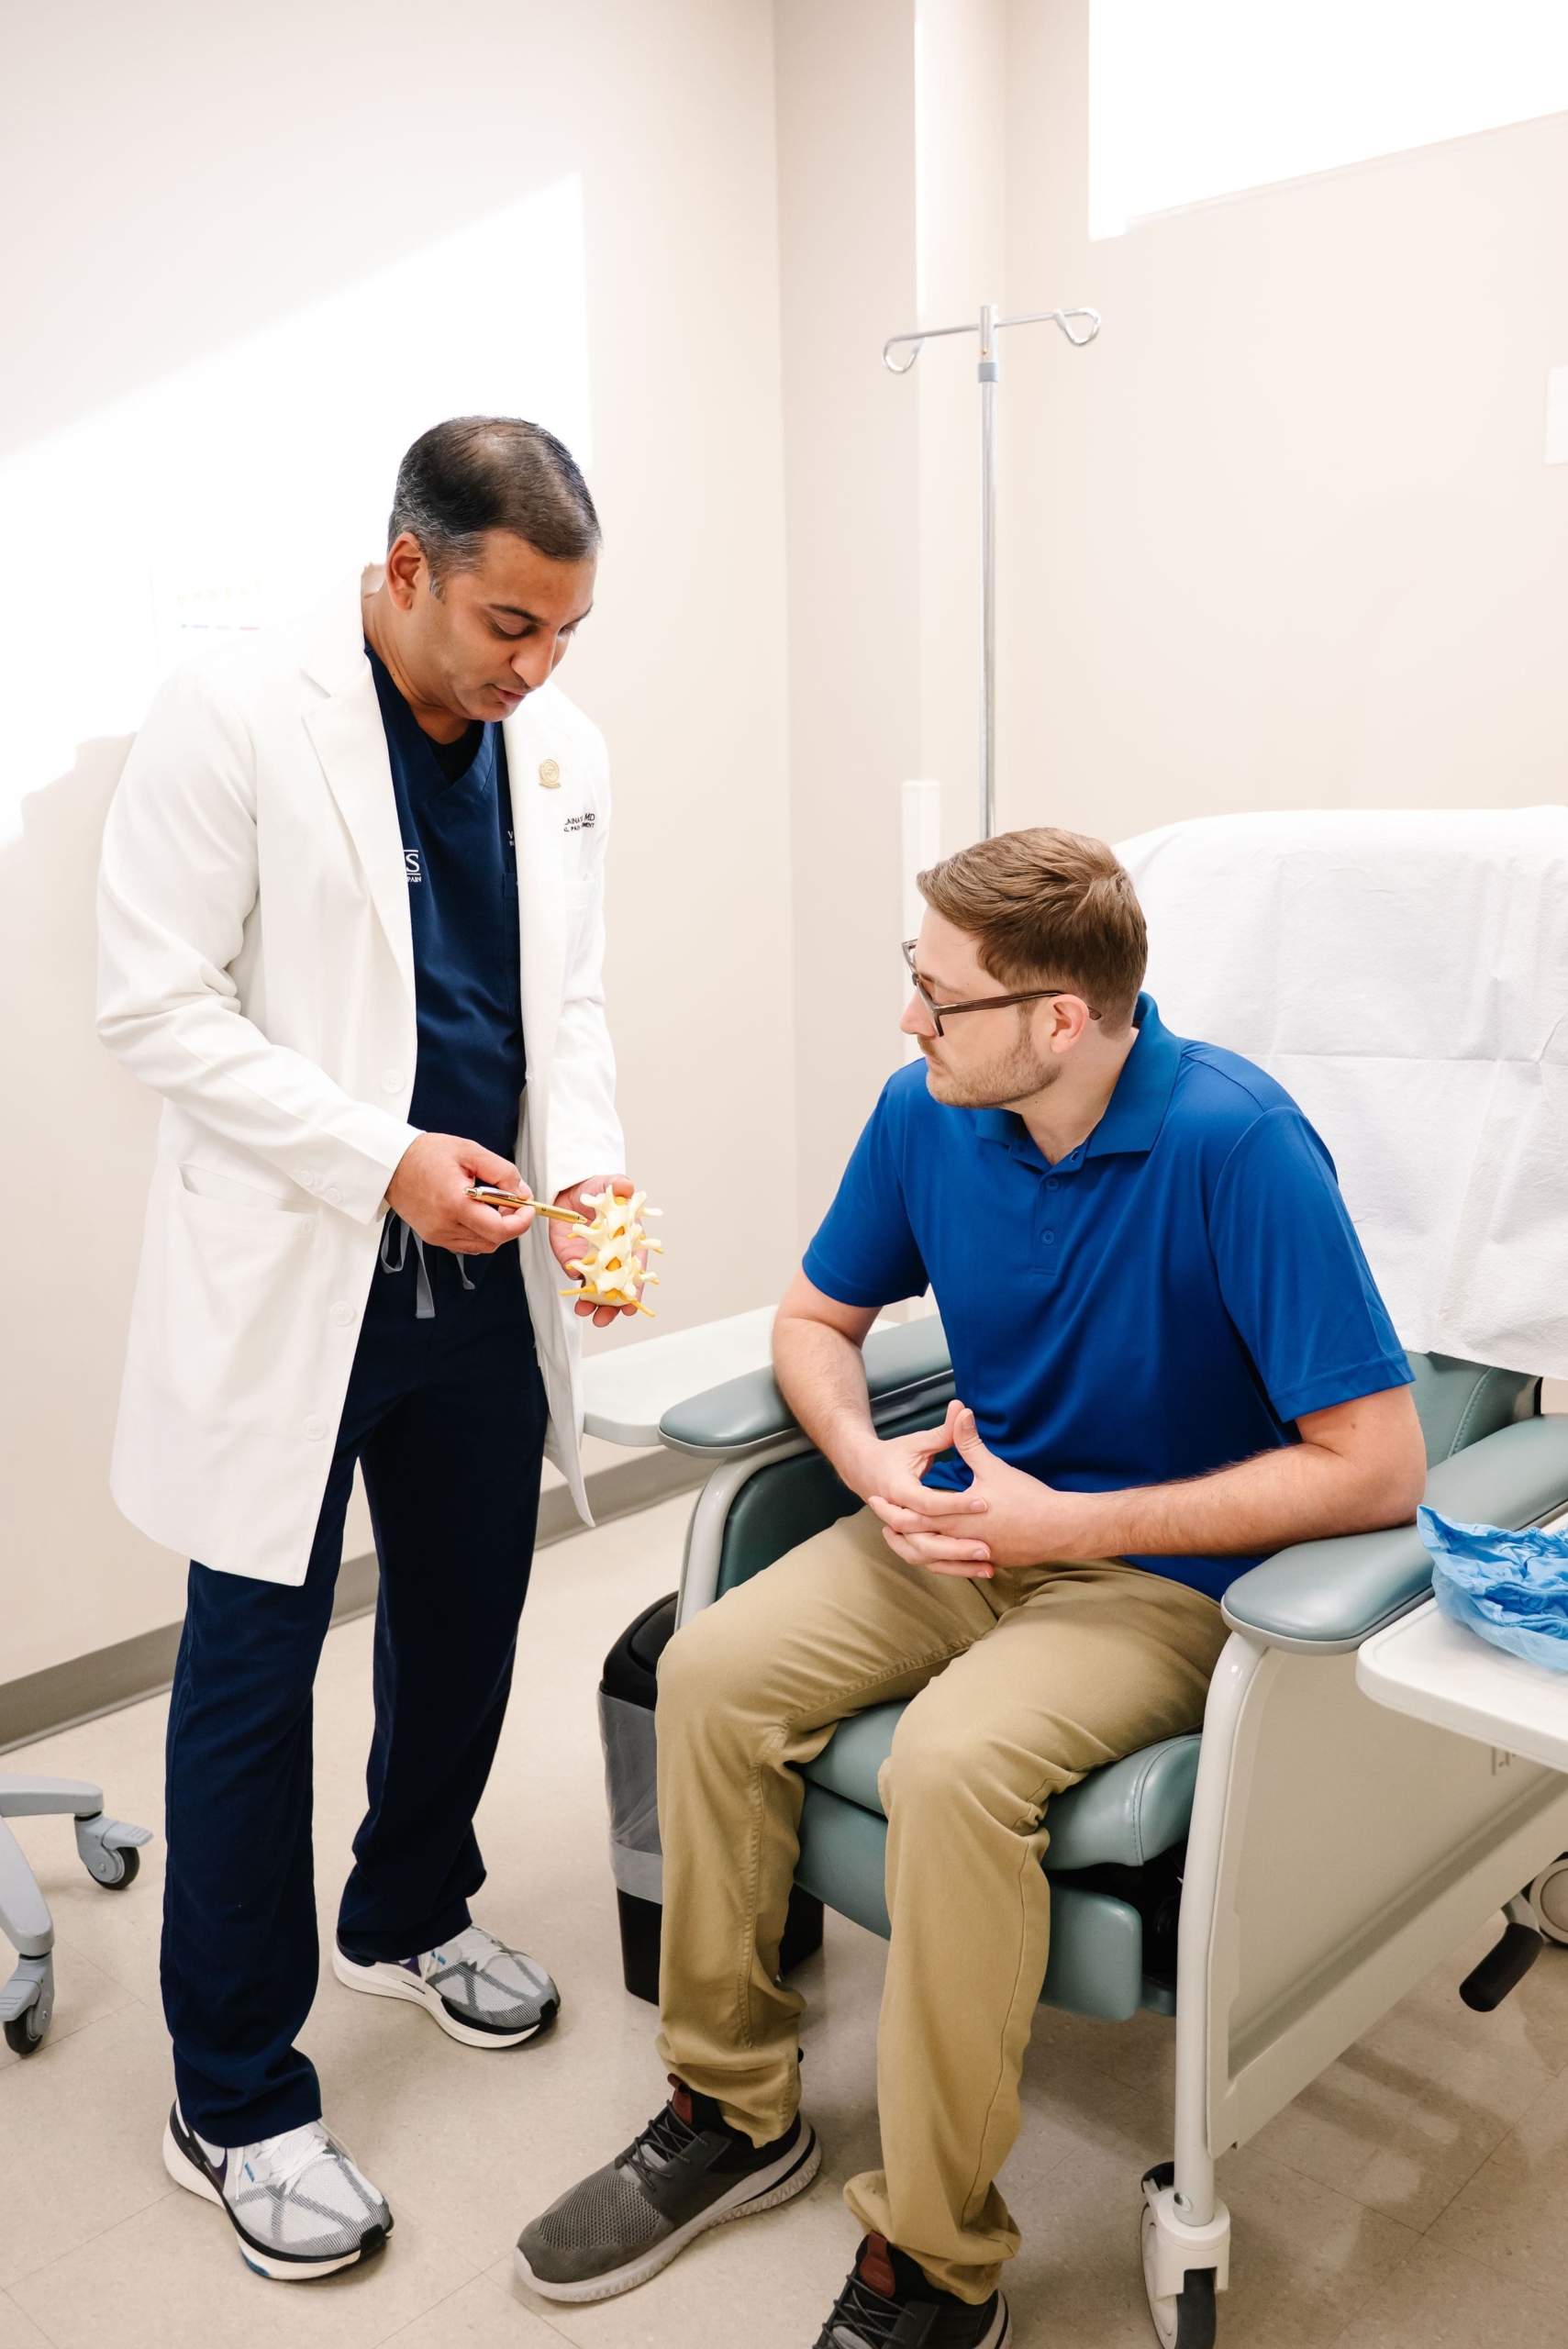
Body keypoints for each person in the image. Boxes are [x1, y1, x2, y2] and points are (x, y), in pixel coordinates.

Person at [515, 828, 1427, 2346]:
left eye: (938, 995)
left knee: (951, 1770)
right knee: (710, 1665)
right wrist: (870, 1472)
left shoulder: (1237, 1146)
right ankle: (734, 2111)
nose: (907, 1020)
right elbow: (817, 1321)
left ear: (1058, 1019)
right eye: (910, 980)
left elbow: (1376, 1464)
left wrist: (1065, 1523)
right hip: (950, 1528)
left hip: (1152, 1577)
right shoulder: (926, 1111)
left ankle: (936, 2260)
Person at [97, 417, 646, 2281]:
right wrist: (381, 1158)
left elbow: (564, 1002)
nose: (535, 667)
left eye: (564, 631)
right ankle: (232, 2089)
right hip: (302, 1275)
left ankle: (410, 1906)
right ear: (407, 565)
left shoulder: (556, 748)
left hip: (485, 1277)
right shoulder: (236, 714)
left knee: (471, 1615)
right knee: (252, 1677)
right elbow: (153, 1003)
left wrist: (602, 1181)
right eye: (508, 622)